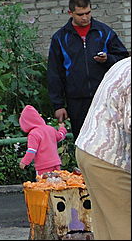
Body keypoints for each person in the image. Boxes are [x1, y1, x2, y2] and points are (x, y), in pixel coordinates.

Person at [46, 0, 129, 137]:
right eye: (80, 14)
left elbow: (123, 59)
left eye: (88, 13)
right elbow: (54, 73)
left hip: (104, 97)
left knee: (108, 138)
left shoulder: (104, 32)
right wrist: (58, 105)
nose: (85, 17)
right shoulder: (60, 38)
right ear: (70, 13)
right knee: (82, 139)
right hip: (76, 100)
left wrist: (108, 59)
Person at [75, 57, 130, 240]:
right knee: (124, 224)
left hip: (89, 149)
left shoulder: (124, 64)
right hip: (110, 158)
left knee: (106, 226)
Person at [18, 104, 67, 175]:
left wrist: (24, 162)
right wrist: (62, 128)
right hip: (56, 163)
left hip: (43, 166)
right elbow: (60, 136)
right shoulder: (50, 129)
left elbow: (32, 150)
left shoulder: (33, 134)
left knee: (43, 182)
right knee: (58, 181)